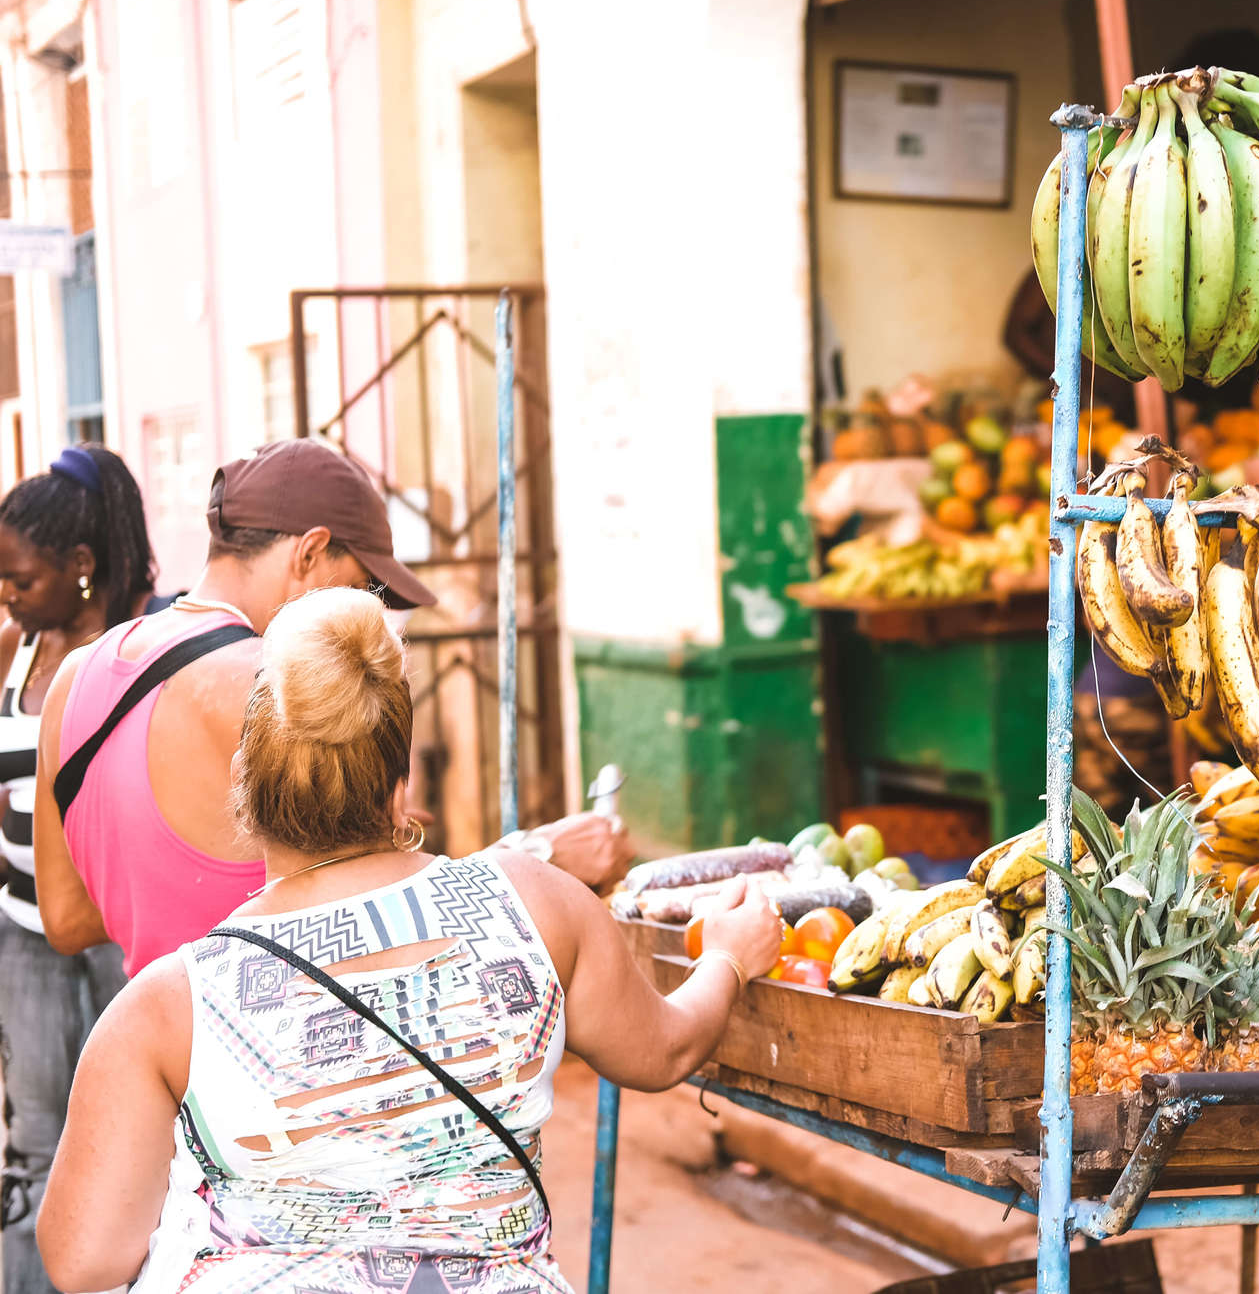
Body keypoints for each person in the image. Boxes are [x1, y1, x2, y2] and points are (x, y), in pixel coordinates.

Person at [37, 589, 786, 1291]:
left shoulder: (169, 1006)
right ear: (399, 784)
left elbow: (82, 1258)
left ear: (244, 779)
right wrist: (725, 955)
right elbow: (665, 1050)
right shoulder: (533, 899)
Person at [32, 438, 631, 981]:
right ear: (311, 552)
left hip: (171, 1073)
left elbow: (65, 919)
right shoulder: (278, 686)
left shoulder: (72, 679)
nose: (370, 609)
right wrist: (542, 854)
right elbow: (387, 913)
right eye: (363, 584)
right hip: (288, 1067)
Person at [0, 445, 168, 1294]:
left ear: (80, 565)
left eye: (20, 579)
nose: (8, 596)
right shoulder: (15, 652)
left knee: (139, 1139)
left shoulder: (142, 650)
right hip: (24, 936)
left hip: (119, 937)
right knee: (35, 1142)